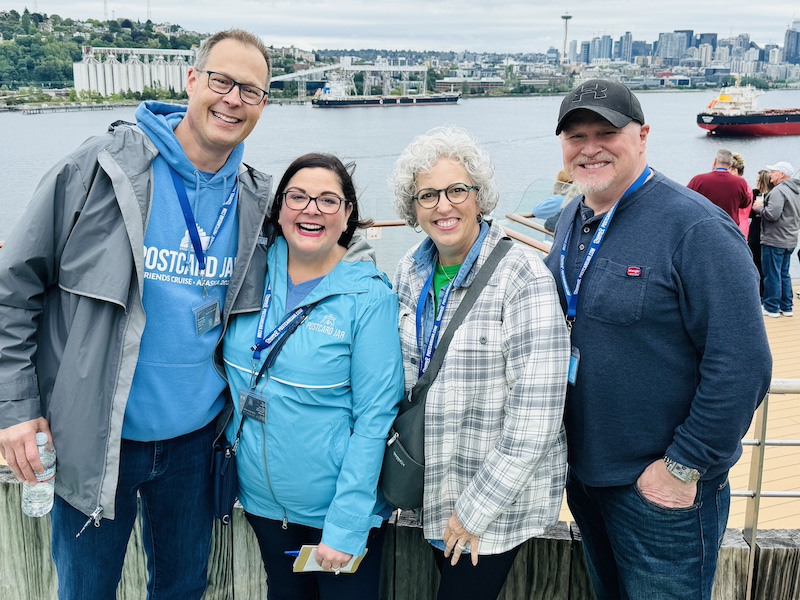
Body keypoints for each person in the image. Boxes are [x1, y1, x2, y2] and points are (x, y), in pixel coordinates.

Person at [0, 29, 273, 599]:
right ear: (192, 80)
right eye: (221, 80)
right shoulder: (99, 169)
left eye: (250, 90)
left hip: (196, 443)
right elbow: (15, 286)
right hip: (94, 436)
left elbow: (324, 241)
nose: (232, 99)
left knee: (182, 590)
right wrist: (16, 409)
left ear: (263, 105)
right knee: (87, 591)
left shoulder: (254, 199)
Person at [544, 79, 772, 599]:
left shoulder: (695, 228)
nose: (590, 147)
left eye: (606, 132)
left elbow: (742, 364)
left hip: (660, 490)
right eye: (576, 135)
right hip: (586, 478)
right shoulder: (569, 220)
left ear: (643, 135)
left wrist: (681, 466)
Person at [390, 125, 570, 600]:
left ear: (480, 197)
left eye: (456, 190)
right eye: (427, 194)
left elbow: (537, 417)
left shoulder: (523, 275)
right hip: (430, 487)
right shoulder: (411, 267)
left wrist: (473, 510)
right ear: (413, 207)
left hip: (488, 503)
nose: (443, 206)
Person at [223, 153, 404, 600]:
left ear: (347, 217)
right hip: (263, 506)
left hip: (336, 514)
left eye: (328, 200)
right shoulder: (248, 271)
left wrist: (345, 525)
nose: (311, 210)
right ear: (280, 209)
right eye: (298, 197)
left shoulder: (368, 297)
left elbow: (374, 421)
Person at [753, 160, 800, 318]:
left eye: (773, 171)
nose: (770, 174)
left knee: (772, 273)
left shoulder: (779, 191)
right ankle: (787, 306)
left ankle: (771, 307)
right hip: (790, 238)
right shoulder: (796, 190)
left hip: (775, 239)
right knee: (784, 273)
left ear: (781, 174)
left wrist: (759, 208)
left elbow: (772, 215)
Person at [687, 148, 751, 227]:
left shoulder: (698, 180)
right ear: (730, 164)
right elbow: (745, 203)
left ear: (715, 161)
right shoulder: (740, 183)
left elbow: (687, 201)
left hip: (704, 227)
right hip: (729, 228)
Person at [749, 169, 774, 294]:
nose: (756, 182)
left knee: (765, 266)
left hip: (767, 233)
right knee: (755, 262)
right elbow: (748, 212)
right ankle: (757, 291)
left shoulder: (773, 195)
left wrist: (760, 207)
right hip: (755, 231)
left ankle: (765, 292)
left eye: (758, 180)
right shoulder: (754, 193)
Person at [729, 152, 754, 240]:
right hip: (744, 227)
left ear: (734, 171)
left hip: (735, 227)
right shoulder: (747, 187)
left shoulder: (736, 187)